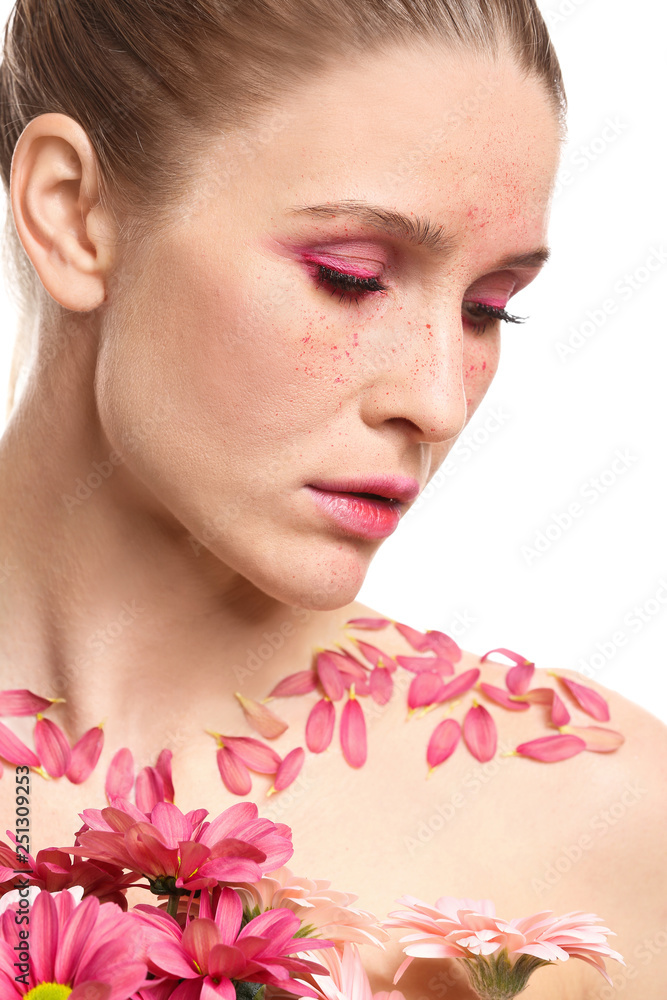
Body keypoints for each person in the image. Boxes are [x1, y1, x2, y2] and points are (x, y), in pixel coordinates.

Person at [0, 1, 664, 998]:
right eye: (350, 278)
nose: (438, 401)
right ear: (71, 214)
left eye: (487, 308)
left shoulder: (603, 816)